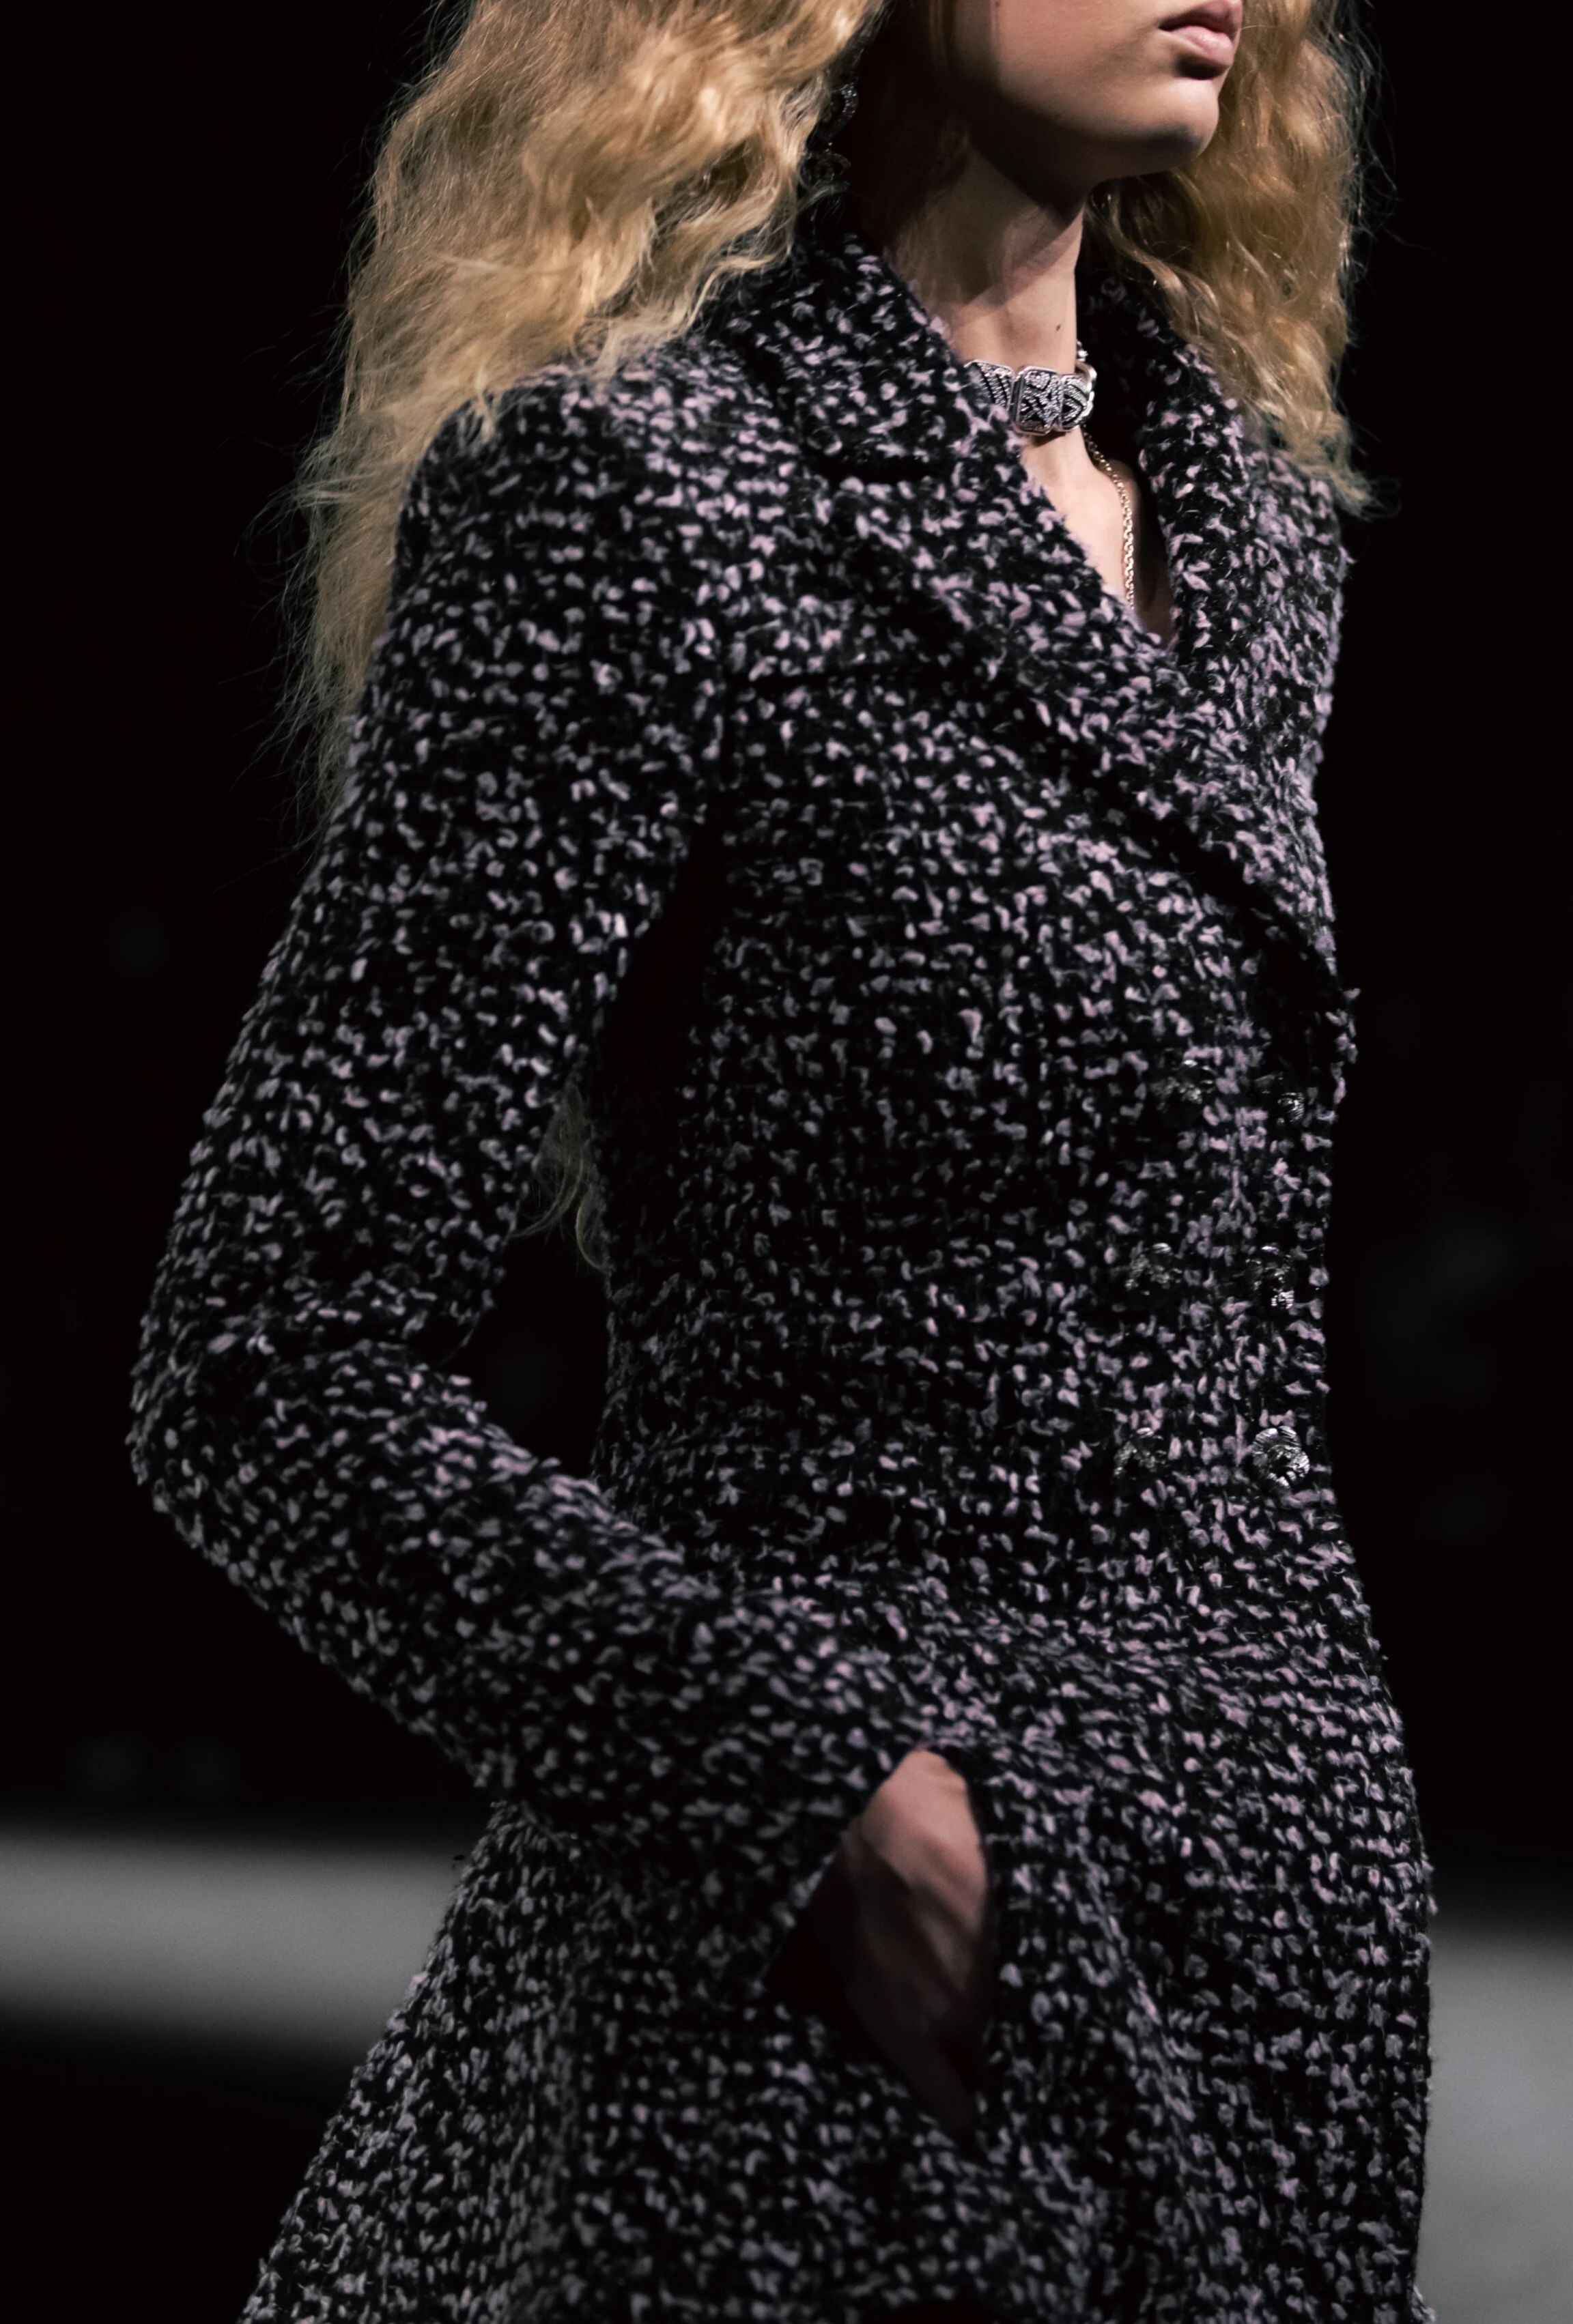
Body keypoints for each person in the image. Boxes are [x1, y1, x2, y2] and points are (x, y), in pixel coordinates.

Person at [128, 2, 1433, 2318]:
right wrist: (810, 1797)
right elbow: (265, 1358)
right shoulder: (642, 488)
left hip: (1259, 1958)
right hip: (818, 2007)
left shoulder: (1248, 531)